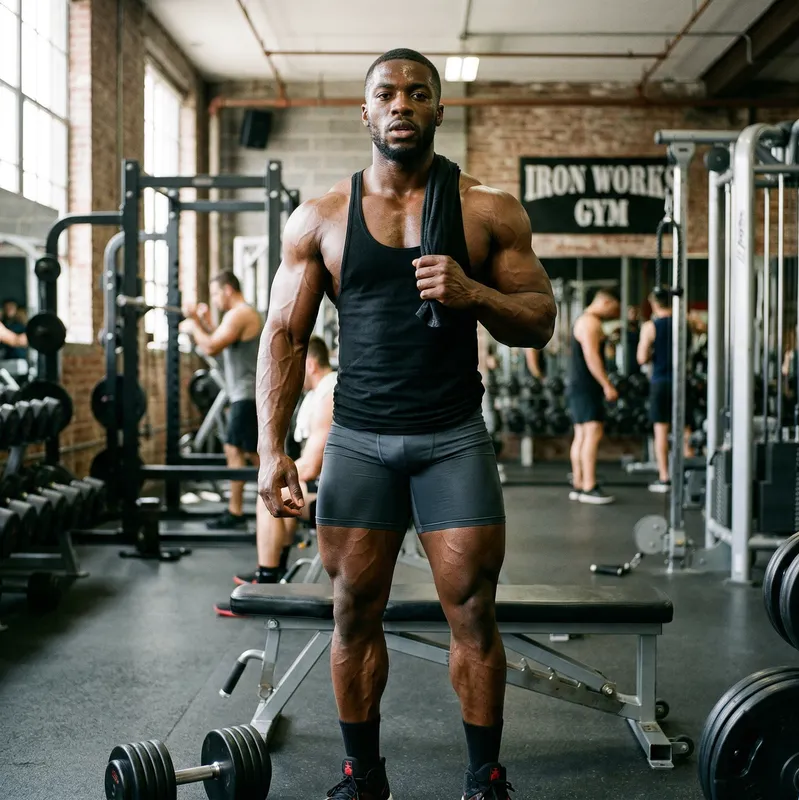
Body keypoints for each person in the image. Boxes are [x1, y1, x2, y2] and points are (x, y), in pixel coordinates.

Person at [256, 48, 555, 800]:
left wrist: (472, 292)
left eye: (418, 94)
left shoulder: (489, 211)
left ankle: (485, 777)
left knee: (474, 610)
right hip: (358, 439)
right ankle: (364, 775)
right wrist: (271, 450)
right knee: (353, 609)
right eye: (386, 93)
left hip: (452, 436)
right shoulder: (320, 218)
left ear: (437, 110)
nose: (401, 105)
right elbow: (283, 338)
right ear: (366, 112)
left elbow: (541, 321)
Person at [213, 336, 336, 616]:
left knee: (270, 494)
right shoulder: (318, 393)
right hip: (327, 488)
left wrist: (278, 478)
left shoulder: (328, 393)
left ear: (311, 364)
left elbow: (313, 465)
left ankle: (266, 583)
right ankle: (275, 570)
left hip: (338, 497)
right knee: (286, 488)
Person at [182, 271, 263, 529]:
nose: (215, 300)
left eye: (216, 294)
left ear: (228, 289)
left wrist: (193, 324)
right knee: (239, 450)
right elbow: (220, 341)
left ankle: (283, 506)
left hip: (247, 395)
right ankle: (239, 511)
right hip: (243, 394)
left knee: (254, 455)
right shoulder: (238, 315)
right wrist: (202, 321)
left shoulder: (240, 314)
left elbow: (211, 347)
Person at [567, 288, 620, 505]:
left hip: (579, 386)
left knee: (581, 435)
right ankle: (589, 486)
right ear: (606, 303)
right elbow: (591, 357)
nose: (613, 314)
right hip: (588, 386)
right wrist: (607, 384)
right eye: (614, 309)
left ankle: (579, 484)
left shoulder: (583, 321)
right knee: (592, 433)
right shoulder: (590, 323)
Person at [637, 289, 693, 493]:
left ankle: (665, 478)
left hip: (660, 382)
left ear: (654, 304)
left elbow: (641, 358)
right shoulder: (685, 324)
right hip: (682, 382)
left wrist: (652, 352)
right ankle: (689, 476)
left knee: (661, 430)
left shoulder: (651, 326)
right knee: (685, 429)